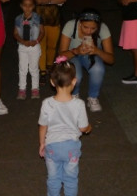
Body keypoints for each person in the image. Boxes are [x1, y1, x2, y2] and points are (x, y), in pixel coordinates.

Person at [39, 56, 91, 196]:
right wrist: (89, 128)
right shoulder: (79, 104)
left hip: (52, 147)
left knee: (53, 179)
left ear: (52, 82)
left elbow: (43, 126)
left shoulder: (47, 103)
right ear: (74, 81)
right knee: (71, 179)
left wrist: (42, 143)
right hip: (71, 148)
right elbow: (82, 128)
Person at [57, 9, 114, 112]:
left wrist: (97, 51)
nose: (88, 31)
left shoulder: (103, 28)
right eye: (85, 27)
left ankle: (93, 97)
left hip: (92, 55)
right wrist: (76, 51)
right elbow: (61, 55)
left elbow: (111, 60)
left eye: (93, 28)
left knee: (98, 69)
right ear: (79, 23)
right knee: (76, 76)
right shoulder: (70, 25)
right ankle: (74, 95)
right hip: (72, 55)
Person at [28, 0, 67, 76]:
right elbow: (38, 0)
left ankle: (49, 65)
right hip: (39, 20)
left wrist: (47, 1)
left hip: (54, 18)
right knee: (41, 45)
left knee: (52, 45)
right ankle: (43, 71)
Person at [13, 0, 43, 100]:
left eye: (30, 5)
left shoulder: (38, 18)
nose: (27, 7)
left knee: (34, 68)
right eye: (25, 5)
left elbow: (42, 32)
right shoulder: (18, 19)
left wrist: (36, 41)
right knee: (22, 68)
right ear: (21, 6)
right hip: (22, 47)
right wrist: (22, 41)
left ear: (34, 6)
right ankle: (22, 89)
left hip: (34, 47)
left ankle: (35, 89)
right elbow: (15, 33)